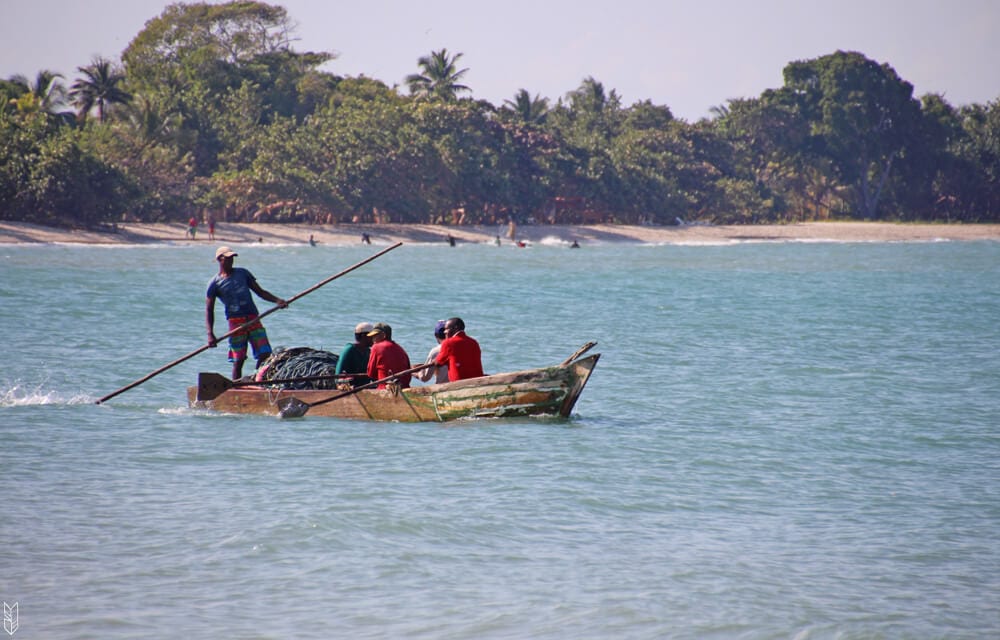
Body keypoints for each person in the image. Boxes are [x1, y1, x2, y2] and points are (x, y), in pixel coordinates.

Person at [206, 246, 287, 379]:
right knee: (239, 360)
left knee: (265, 354)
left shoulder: (243, 273)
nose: (231, 261)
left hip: (252, 318)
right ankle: (236, 387)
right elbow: (209, 310)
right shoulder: (214, 284)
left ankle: (256, 380)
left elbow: (260, 292)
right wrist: (210, 334)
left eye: (232, 258)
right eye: (228, 258)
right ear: (220, 259)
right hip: (235, 322)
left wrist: (278, 301)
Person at [366, 322, 412, 389]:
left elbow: (371, 373)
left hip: (386, 389)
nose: (373, 339)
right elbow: (408, 375)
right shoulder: (401, 349)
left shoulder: (376, 347)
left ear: (383, 335)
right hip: (404, 388)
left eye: (375, 335)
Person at [436, 317, 484, 381]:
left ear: (455, 328)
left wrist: (435, 361)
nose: (444, 332)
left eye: (446, 329)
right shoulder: (474, 342)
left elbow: (438, 363)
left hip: (458, 383)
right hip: (478, 381)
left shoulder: (448, 343)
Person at [335, 322, 374, 388]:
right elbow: (339, 376)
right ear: (363, 336)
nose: (374, 338)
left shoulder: (368, 351)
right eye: (372, 336)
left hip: (365, 389)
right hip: (351, 390)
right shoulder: (349, 350)